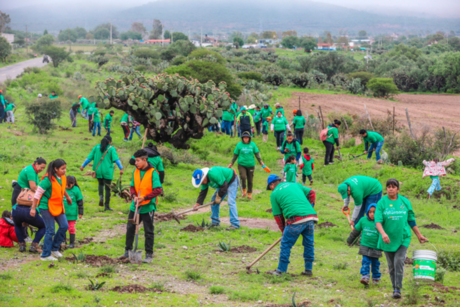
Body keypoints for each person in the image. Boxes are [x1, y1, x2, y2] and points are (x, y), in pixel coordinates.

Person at [375, 179, 428, 299]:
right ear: (386, 189)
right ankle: (394, 287)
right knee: (391, 265)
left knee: (399, 261)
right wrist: (383, 234)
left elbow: (411, 219)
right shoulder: (382, 203)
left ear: (398, 189)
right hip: (387, 239)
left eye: (393, 187)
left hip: (403, 237)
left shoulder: (404, 201)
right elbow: (377, 220)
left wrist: (418, 235)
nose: (391, 189)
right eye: (388, 187)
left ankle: (397, 289)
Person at [266, 175, 317, 276]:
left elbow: (278, 216)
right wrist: (310, 206)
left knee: (286, 244)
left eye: (270, 188)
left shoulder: (274, 193)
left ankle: (281, 270)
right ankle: (308, 270)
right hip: (311, 218)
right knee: (309, 244)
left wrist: (283, 231)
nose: (271, 190)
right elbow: (312, 193)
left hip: (295, 219)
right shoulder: (296, 185)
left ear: (272, 185)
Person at [121, 149, 163, 263]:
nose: (136, 163)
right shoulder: (136, 170)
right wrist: (134, 196)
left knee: (148, 231)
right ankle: (127, 251)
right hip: (135, 205)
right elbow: (132, 186)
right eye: (135, 161)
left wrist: (145, 198)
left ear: (145, 160)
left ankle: (149, 254)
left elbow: (158, 189)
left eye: (138, 161)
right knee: (130, 228)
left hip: (147, 206)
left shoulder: (153, 172)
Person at [30, 159, 70, 261]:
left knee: (64, 226)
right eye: (62, 169)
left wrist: (68, 197)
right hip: (45, 206)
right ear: (56, 169)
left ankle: (54, 248)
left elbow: (61, 188)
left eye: (65, 168)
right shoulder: (47, 180)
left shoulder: (62, 177)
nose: (64, 170)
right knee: (50, 230)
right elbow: (37, 194)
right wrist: (33, 208)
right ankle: (45, 255)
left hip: (58, 205)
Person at [80, 136, 124, 211]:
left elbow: (89, 158)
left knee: (100, 184)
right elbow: (116, 159)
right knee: (107, 188)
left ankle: (101, 197)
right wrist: (121, 168)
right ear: (109, 142)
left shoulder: (96, 147)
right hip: (107, 171)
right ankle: (106, 206)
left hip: (98, 171)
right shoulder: (111, 148)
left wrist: (83, 166)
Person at [347, 204, 382, 286]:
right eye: (370, 212)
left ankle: (376, 278)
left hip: (376, 247)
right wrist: (350, 240)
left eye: (374, 212)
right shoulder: (363, 220)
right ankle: (365, 277)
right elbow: (356, 231)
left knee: (375, 263)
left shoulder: (380, 222)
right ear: (367, 212)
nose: (372, 214)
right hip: (365, 246)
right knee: (365, 262)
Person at [228, 131, 264, 199]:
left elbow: (257, 154)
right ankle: (244, 190)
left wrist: (261, 162)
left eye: (247, 138)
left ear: (249, 138)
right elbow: (235, 155)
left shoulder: (252, 144)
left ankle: (249, 194)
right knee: (243, 177)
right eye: (244, 138)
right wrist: (231, 163)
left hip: (251, 164)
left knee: (250, 180)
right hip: (242, 164)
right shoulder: (239, 145)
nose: (246, 139)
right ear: (242, 138)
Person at [63, 176, 84, 249]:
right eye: (65, 185)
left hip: (72, 213)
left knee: (71, 228)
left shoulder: (76, 189)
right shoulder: (61, 188)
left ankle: (72, 243)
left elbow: (80, 202)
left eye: (68, 185)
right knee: (63, 227)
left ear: (73, 184)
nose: (66, 187)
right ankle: (63, 241)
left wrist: (80, 212)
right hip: (62, 213)